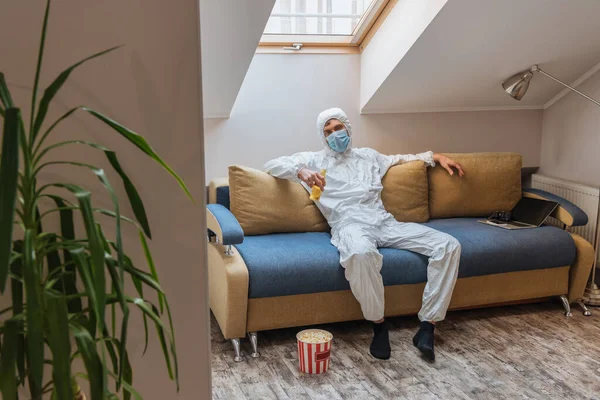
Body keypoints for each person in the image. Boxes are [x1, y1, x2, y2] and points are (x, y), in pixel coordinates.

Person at [264, 108, 464, 361]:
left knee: (448, 245)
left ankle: (428, 326)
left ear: (347, 128)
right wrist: (300, 172)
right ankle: (379, 326)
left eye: (338, 128)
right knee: (360, 254)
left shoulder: (369, 156)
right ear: (322, 137)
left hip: (385, 222)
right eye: (327, 132)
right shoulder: (314, 161)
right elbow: (271, 164)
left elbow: (402, 158)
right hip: (349, 226)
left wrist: (435, 156)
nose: (334, 134)